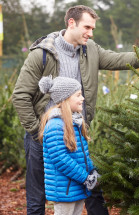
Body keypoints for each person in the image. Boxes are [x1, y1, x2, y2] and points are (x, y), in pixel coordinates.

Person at [12, 5, 139, 215]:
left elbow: (117, 59)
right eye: (87, 27)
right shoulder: (42, 54)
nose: (91, 33)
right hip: (43, 134)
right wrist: (36, 130)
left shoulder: (90, 49)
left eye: (93, 28)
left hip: (76, 132)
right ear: (71, 23)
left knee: (91, 186)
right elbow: (20, 95)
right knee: (36, 197)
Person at [38, 76, 99, 215]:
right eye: (78, 95)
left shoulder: (75, 122)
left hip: (77, 186)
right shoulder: (55, 125)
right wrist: (85, 177)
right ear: (65, 99)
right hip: (64, 189)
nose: (82, 98)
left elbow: (82, 154)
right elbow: (61, 159)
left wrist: (92, 171)